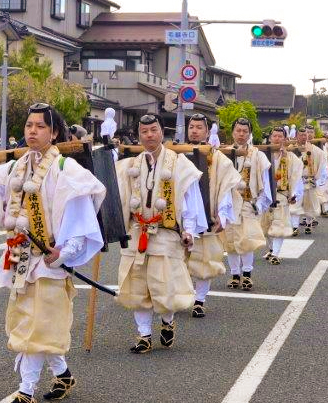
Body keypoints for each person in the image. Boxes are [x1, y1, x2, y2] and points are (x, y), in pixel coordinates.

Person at [0, 104, 105, 403]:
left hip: (48, 261)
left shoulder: (66, 170)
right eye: (29, 125)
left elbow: (81, 219)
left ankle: (26, 391)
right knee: (33, 321)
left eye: (40, 126)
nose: (32, 131)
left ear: (54, 133)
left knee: (38, 323)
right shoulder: (13, 169)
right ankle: (63, 376)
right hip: (20, 257)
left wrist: (65, 252)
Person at [115, 114, 206, 353]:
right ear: (139, 135)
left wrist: (188, 229)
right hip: (138, 231)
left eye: (153, 130)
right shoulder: (130, 165)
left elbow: (190, 198)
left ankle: (167, 321)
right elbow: (119, 198)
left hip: (166, 233)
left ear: (161, 132)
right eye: (144, 131)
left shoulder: (180, 164)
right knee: (137, 285)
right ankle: (144, 334)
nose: (149, 135)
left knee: (164, 285)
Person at [182, 114, 238, 317]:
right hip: (182, 217)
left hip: (207, 214)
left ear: (207, 131)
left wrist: (222, 214)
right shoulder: (178, 153)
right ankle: (184, 295)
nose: (194, 131)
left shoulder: (218, 158)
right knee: (181, 260)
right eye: (191, 127)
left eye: (199, 127)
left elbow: (225, 187)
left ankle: (199, 300)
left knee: (205, 261)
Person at [220, 118, 271, 290]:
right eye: (238, 130)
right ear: (232, 132)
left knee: (247, 238)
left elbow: (265, 180)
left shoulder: (258, 155)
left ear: (249, 133)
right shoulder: (224, 153)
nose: (241, 134)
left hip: (248, 201)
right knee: (231, 240)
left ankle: (247, 274)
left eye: (244, 131)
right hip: (228, 202)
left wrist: (262, 203)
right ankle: (235, 274)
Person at [261, 126, 303, 264]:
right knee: (266, 225)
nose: (277, 138)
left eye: (280, 136)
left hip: (282, 195)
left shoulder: (292, 158)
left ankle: (276, 253)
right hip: (264, 195)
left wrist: (294, 194)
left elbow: (297, 177)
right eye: (275, 136)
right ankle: (272, 249)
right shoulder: (263, 156)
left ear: (285, 139)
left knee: (279, 224)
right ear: (270, 138)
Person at [295, 126, 328, 235]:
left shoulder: (316, 150)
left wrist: (318, 180)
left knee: (309, 204)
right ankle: (294, 226)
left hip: (309, 180)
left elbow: (322, 165)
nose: (304, 137)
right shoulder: (291, 149)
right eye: (301, 135)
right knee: (294, 204)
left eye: (305, 134)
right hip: (295, 182)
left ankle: (309, 223)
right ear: (296, 136)